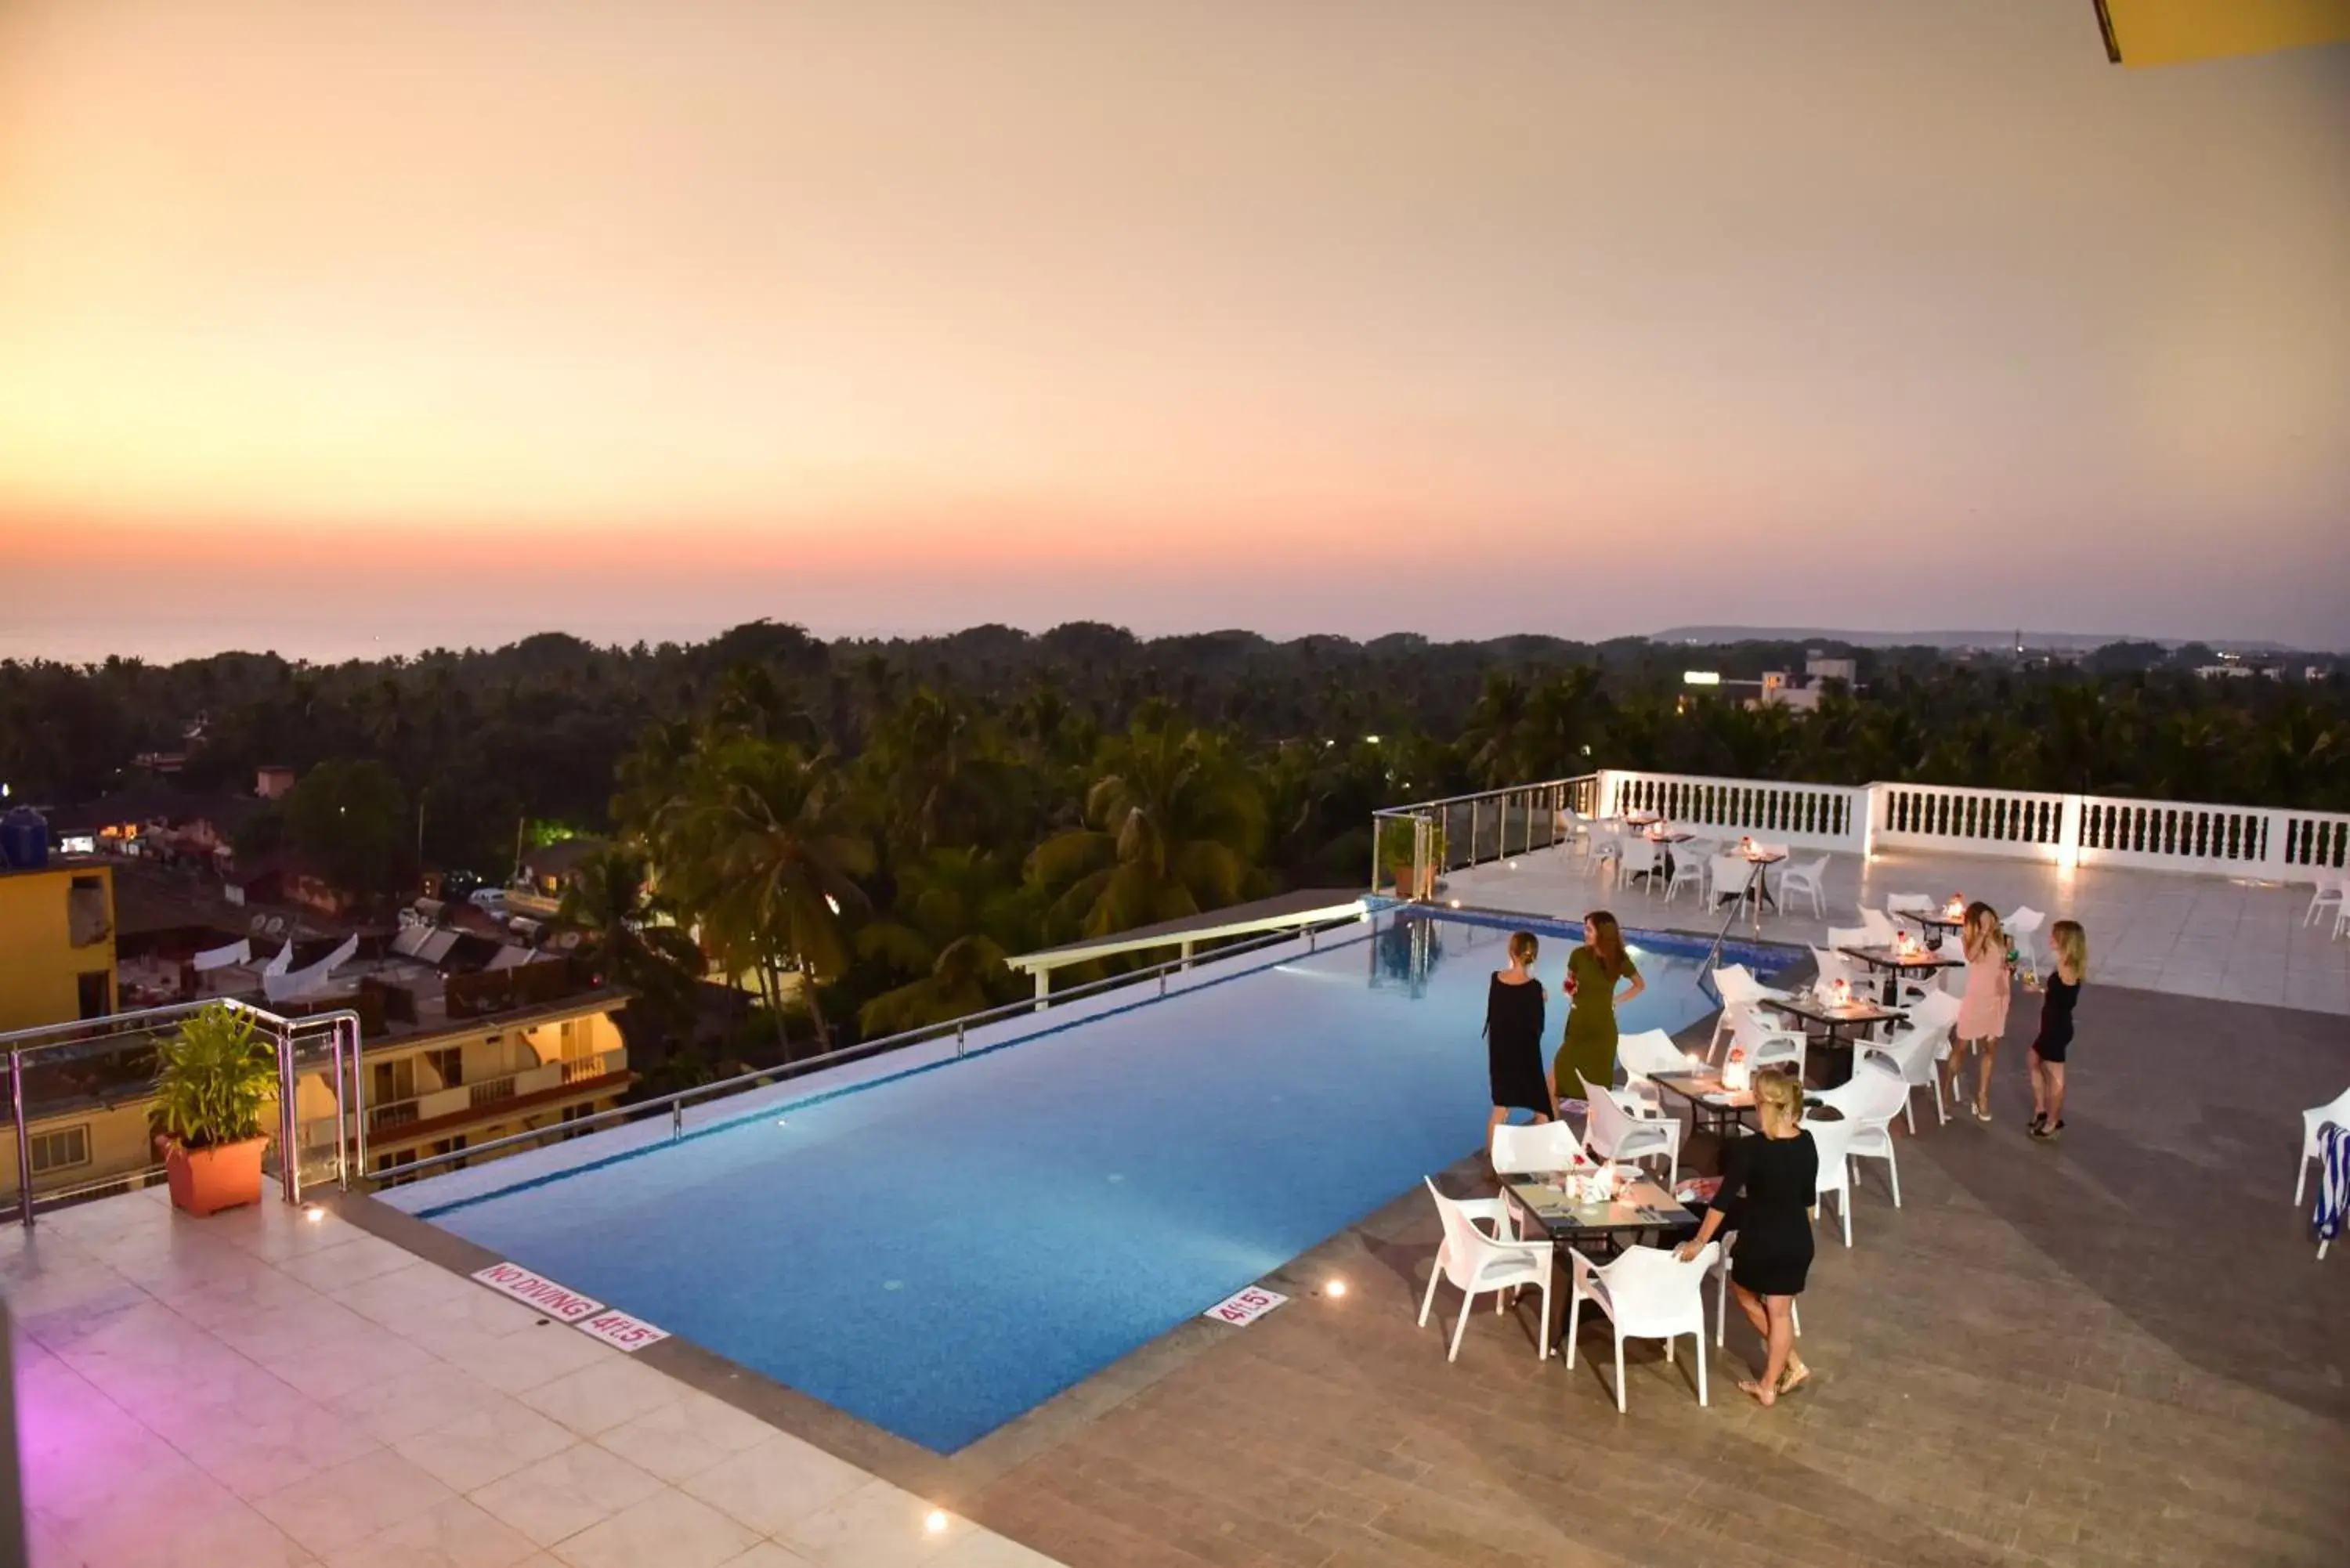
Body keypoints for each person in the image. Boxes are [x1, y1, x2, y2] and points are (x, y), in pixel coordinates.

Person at [1678, 1068, 1816, 1405]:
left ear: (1762, 1105)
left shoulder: (1750, 1148)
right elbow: (1807, 1200)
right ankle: (1775, 1378)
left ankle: (1786, 1369)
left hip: (1762, 1240)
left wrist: (1699, 1241)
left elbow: (1721, 1204)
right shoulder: (1807, 1142)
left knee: (1745, 1294)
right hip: (1798, 1239)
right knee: (1781, 1312)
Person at [1553, 911, 1644, 1104]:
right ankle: (1551, 1125)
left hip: (1603, 1030)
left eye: (1589, 929)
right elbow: (1569, 983)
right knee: (1559, 1070)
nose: (1585, 933)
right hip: (1578, 1025)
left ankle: (1597, 1130)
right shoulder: (1578, 955)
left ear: (1602, 933)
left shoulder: (1618, 960)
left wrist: (1614, 1001)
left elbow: (1639, 985)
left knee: (1598, 1092)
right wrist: (1570, 988)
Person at [1943, 901, 2011, 1123]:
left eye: (1990, 918)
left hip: (1999, 998)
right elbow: (1971, 957)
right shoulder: (1971, 940)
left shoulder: (2005, 939)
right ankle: (1945, 1092)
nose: (1989, 923)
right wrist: (1982, 933)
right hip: (1977, 999)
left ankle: (1983, 1098)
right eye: (1983, 919)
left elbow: (2016, 965)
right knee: (1961, 1046)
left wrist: (2029, 978)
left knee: (1990, 1049)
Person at [1484, 931, 1555, 1143]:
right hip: (1527, 1057)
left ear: (1511, 951)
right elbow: (1536, 1027)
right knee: (1542, 1109)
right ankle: (1540, 1158)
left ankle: (1492, 1164)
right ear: (1534, 955)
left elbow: (1495, 1016)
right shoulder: (1535, 989)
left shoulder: (1495, 979)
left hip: (1500, 1057)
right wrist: (1541, 997)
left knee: (1500, 1110)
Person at [2027, 919, 2086, 1140]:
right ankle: (2041, 1110)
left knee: (2055, 1074)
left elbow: (2064, 995)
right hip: (2054, 1023)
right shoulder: (2067, 964)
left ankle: (2053, 1121)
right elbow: (2061, 997)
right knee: (2034, 1060)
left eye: (2055, 936)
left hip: (2056, 1027)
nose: (2050, 939)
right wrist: (2041, 989)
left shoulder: (2067, 967)